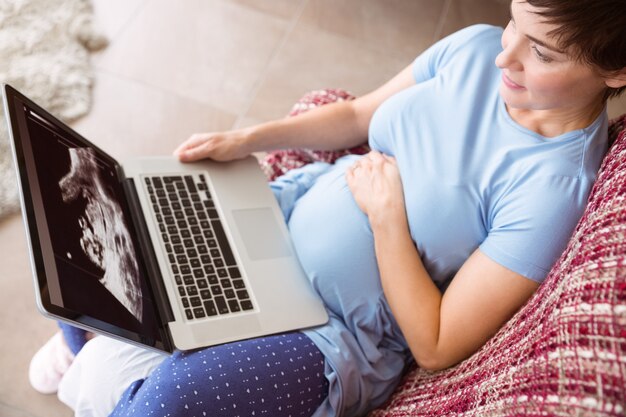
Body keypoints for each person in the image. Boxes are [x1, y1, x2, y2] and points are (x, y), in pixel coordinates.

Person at [29, 1, 626, 416]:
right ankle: (86, 348)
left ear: (615, 71)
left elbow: (437, 345)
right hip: (284, 211)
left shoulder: (554, 186)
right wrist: (247, 140)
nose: (505, 58)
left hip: (334, 334)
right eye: (512, 23)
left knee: (168, 405)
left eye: (542, 53)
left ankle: (99, 360)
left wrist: (388, 220)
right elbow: (358, 116)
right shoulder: (472, 47)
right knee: (87, 219)